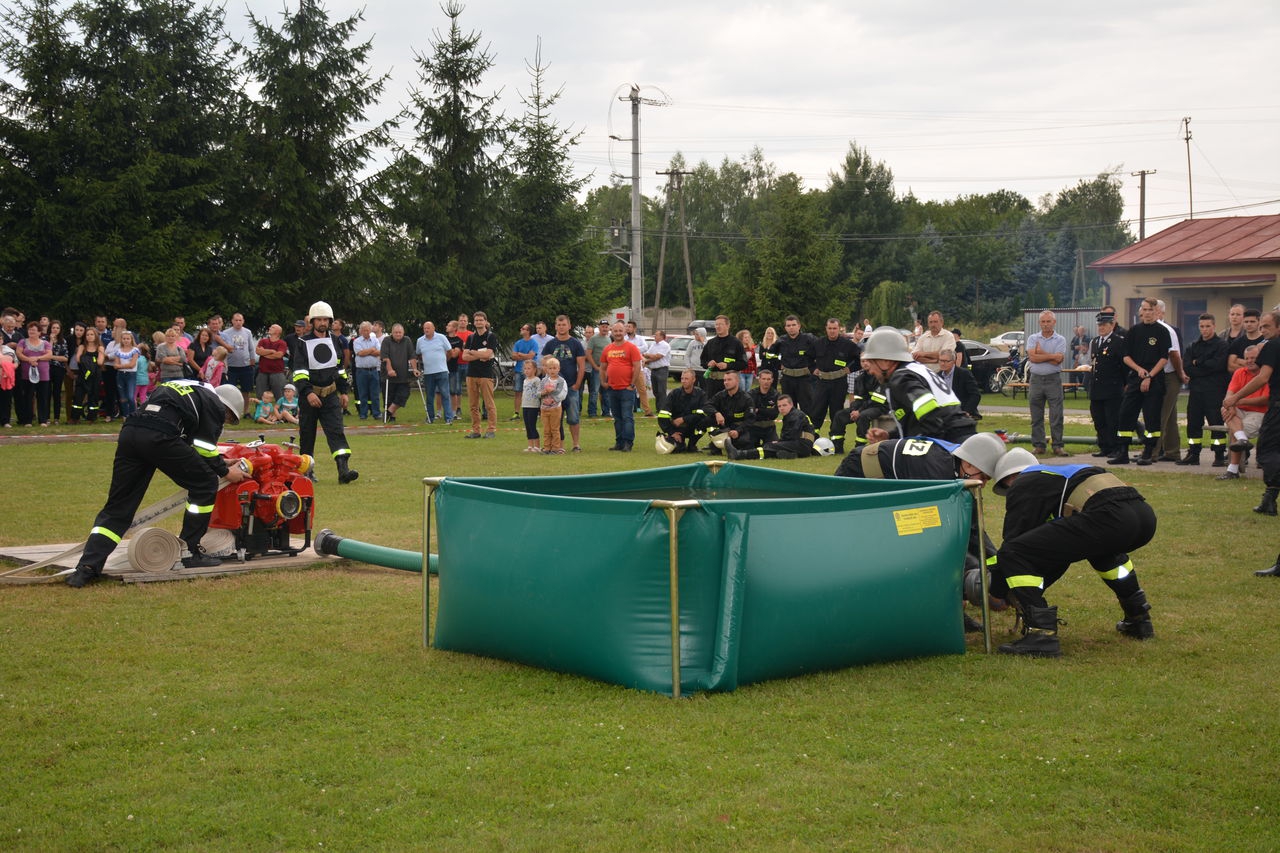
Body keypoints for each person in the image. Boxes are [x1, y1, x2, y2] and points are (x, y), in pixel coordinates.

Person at [64, 379, 251, 587]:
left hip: (131, 432)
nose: (224, 420)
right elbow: (203, 446)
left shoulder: (187, 389)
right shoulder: (213, 403)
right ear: (225, 406)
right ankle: (190, 552)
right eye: (228, 417)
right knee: (205, 483)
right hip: (161, 437)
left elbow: (189, 444)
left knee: (119, 507)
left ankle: (87, 567)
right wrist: (226, 471)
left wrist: (219, 462)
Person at [988, 449, 1158, 658]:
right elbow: (1053, 549)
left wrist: (996, 590)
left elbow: (1013, 544)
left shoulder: (1025, 482)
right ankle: (1139, 618)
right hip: (1143, 517)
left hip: (1109, 517)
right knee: (1104, 554)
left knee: (1013, 552)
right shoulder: (1060, 475)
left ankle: (1041, 635)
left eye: (1007, 488)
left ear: (1010, 477)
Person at [856, 327, 977, 444]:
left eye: (871, 362)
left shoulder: (901, 378)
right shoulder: (913, 370)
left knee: (859, 457)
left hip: (950, 440)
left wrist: (929, 450)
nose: (870, 370)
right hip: (960, 435)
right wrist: (891, 436)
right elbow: (915, 421)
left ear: (885, 361)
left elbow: (931, 419)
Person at [1222, 309, 1280, 524]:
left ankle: (1270, 498)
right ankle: (1269, 499)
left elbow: (1263, 378)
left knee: (1267, 451)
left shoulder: (1272, 345)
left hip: (1276, 406)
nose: (1262, 330)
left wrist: (1235, 397)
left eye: (1267, 326)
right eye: (1261, 326)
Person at [291, 300, 358, 484]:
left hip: (330, 395)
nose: (322, 323)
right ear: (312, 322)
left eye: (325, 319)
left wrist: (344, 391)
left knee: (336, 431)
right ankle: (307, 472)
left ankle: (343, 471)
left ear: (330, 321)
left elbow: (340, 369)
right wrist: (307, 393)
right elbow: (299, 372)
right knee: (307, 435)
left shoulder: (335, 341)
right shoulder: (303, 343)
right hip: (310, 396)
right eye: (318, 319)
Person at [1111, 297, 1172, 466]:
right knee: (1125, 414)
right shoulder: (1134, 331)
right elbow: (1126, 356)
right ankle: (1123, 452)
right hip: (1135, 377)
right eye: (1144, 309)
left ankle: (1148, 452)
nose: (1146, 313)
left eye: (1150, 310)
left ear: (1156, 311)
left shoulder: (1162, 331)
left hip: (1155, 379)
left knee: (1152, 417)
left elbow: (1164, 358)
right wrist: (1138, 370)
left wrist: (1149, 376)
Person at [1177, 313, 1230, 467]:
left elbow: (1218, 365)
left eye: (1208, 326)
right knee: (1193, 423)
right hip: (1196, 391)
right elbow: (1187, 367)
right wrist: (1202, 365)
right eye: (1202, 326)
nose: (1205, 329)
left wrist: (1198, 363)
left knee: (1216, 423)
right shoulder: (1193, 346)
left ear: (1214, 326)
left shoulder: (1222, 345)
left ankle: (1219, 455)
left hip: (1214, 391)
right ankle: (1193, 453)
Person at [1216, 344, 1269, 480]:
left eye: (1253, 358)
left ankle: (1232, 470)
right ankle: (1243, 440)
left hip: (1260, 413)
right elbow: (1229, 395)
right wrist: (1230, 404)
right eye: (1247, 358)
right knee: (1225, 408)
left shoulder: (1266, 374)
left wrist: (1237, 402)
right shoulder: (1240, 372)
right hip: (1240, 412)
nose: (1250, 361)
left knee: (1236, 430)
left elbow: (1264, 399)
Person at [1026, 310, 1068, 456]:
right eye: (1043, 321)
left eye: (1048, 321)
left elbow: (1059, 359)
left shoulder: (1060, 339)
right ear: (1039, 323)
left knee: (1056, 415)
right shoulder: (1032, 338)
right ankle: (1039, 445)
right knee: (1036, 415)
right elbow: (1033, 358)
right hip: (1036, 379)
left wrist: (1041, 353)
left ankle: (1057, 446)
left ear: (1054, 322)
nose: (1045, 324)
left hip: (1053, 380)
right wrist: (1051, 357)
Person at [542, 315, 587, 451]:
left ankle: (576, 444)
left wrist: (578, 384)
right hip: (554, 389)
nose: (561, 327)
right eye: (559, 325)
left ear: (569, 326)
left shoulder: (576, 344)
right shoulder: (550, 344)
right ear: (555, 326)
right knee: (557, 419)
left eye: (564, 324)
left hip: (572, 387)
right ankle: (559, 446)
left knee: (573, 417)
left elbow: (581, 366)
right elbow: (544, 365)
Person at [809, 318, 860, 436]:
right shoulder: (818, 343)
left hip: (839, 383)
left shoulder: (847, 344)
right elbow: (807, 357)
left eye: (835, 328)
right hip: (821, 383)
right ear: (826, 329)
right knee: (817, 411)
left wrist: (850, 369)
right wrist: (813, 369)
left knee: (836, 413)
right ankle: (813, 439)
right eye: (830, 328)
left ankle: (836, 440)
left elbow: (859, 359)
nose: (832, 331)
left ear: (839, 329)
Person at [726, 394, 813, 460]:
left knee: (770, 446)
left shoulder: (795, 415)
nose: (781, 408)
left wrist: (779, 442)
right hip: (801, 445)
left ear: (791, 404)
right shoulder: (792, 415)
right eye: (779, 406)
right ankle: (790, 454)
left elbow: (791, 434)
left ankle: (740, 454)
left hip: (801, 445)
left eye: (784, 405)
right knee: (771, 448)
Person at [1087, 312, 1126, 459]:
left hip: (1112, 388)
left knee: (1113, 420)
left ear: (1112, 325)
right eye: (1099, 325)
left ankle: (1115, 447)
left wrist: (1124, 384)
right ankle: (1104, 446)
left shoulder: (1119, 342)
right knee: (1099, 419)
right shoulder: (1096, 342)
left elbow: (1123, 366)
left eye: (1104, 325)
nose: (1101, 327)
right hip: (1097, 388)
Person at [601, 321, 643, 452]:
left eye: (620, 331)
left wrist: (632, 384)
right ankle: (619, 442)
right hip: (612, 389)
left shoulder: (631, 348)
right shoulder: (607, 348)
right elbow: (602, 367)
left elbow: (637, 366)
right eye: (615, 331)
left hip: (626, 389)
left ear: (625, 332)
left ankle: (628, 443)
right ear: (611, 332)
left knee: (627, 417)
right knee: (617, 418)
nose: (618, 333)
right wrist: (603, 382)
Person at [1153, 299, 1186, 462]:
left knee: (1160, 414)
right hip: (1155, 376)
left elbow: (1175, 354)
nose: (1145, 313)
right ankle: (1172, 451)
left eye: (1152, 310)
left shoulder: (1169, 330)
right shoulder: (1146, 330)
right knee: (1170, 415)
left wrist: (1180, 374)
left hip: (1169, 374)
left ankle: (1152, 451)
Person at [462, 311, 500, 439]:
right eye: (476, 320)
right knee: (473, 404)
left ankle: (491, 429)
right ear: (474, 322)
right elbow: (464, 356)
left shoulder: (491, 337)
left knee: (489, 403)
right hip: (471, 374)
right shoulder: (471, 338)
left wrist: (473, 353)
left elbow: (487, 354)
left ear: (485, 321)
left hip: (486, 375)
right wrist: (479, 355)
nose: (478, 322)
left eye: (481, 320)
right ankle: (476, 430)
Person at [657, 368, 712, 453]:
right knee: (677, 449)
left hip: (694, 427)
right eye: (682, 378)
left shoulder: (701, 394)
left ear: (694, 379)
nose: (683, 381)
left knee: (707, 420)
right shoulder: (674, 394)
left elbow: (703, 413)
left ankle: (692, 445)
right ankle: (679, 443)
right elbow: (663, 415)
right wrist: (672, 432)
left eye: (686, 379)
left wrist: (684, 419)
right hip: (678, 428)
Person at [768, 315, 815, 415]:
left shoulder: (808, 339)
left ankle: (808, 430)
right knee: (788, 408)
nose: (791, 327)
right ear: (785, 327)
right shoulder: (781, 340)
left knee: (808, 409)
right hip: (788, 379)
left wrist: (815, 367)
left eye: (794, 325)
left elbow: (821, 352)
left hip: (804, 379)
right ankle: (790, 430)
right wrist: (778, 365)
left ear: (799, 326)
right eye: (788, 325)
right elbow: (770, 355)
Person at [413, 321, 454, 425]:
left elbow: (450, 352)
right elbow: (418, 354)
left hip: (442, 371)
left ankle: (448, 418)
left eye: (428, 328)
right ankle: (430, 417)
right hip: (428, 373)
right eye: (424, 328)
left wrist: (444, 360)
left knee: (445, 394)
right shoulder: (420, 341)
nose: (426, 330)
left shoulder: (441, 338)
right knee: (430, 396)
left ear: (433, 328)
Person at [14, 319, 53, 425]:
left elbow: (49, 355)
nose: (31, 332)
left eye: (34, 330)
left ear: (39, 332)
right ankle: (28, 420)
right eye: (30, 330)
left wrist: (37, 358)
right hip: (27, 375)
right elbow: (19, 354)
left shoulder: (45, 343)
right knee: (27, 397)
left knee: (43, 397)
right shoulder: (23, 342)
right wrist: (29, 359)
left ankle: (43, 420)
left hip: (43, 375)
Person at [707, 371, 754, 455]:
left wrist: (738, 431)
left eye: (729, 380)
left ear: (737, 381)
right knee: (706, 419)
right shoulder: (720, 395)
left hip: (739, 429)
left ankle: (722, 445)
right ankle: (718, 444)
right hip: (724, 428)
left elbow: (750, 420)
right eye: (725, 380)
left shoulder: (746, 399)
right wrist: (716, 413)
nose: (726, 382)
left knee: (745, 443)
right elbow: (707, 405)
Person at [700, 315, 746, 400]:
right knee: (711, 407)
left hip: (729, 383)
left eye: (720, 324)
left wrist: (727, 366)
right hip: (712, 383)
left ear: (728, 325)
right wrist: (708, 364)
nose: (718, 326)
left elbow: (743, 363)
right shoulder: (710, 343)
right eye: (716, 324)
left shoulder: (736, 343)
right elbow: (702, 361)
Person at [380, 323, 414, 423]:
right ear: (392, 333)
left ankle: (388, 412)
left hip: (403, 375)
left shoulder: (407, 340)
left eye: (400, 332)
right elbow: (385, 357)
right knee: (389, 396)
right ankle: (392, 417)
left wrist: (415, 369)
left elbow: (412, 356)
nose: (398, 334)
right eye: (396, 332)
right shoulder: (386, 341)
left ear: (403, 333)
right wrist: (390, 370)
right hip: (388, 375)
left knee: (403, 394)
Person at [222, 313, 256, 410]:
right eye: (236, 320)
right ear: (232, 321)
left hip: (245, 366)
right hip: (231, 366)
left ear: (243, 321)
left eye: (240, 320)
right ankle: (230, 410)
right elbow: (223, 349)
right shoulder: (226, 333)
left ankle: (246, 411)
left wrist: (252, 360)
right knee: (230, 390)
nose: (238, 322)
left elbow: (251, 348)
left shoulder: (247, 332)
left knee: (246, 390)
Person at [935, 348, 981, 419]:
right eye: (941, 360)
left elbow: (975, 395)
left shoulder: (964, 374)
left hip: (962, 412)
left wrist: (966, 412)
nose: (942, 363)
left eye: (946, 361)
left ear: (953, 361)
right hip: (944, 414)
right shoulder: (937, 376)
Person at [351, 321, 383, 421]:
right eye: (364, 330)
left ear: (370, 330)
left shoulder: (375, 340)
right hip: (361, 371)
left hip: (374, 370)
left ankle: (376, 413)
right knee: (362, 393)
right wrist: (372, 350)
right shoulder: (357, 341)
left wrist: (368, 351)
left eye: (368, 330)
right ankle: (363, 414)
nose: (366, 332)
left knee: (375, 394)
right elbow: (360, 353)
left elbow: (379, 352)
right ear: (360, 331)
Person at [72, 326, 105, 422]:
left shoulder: (100, 348)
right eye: (87, 334)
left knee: (93, 397)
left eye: (92, 334)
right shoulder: (82, 347)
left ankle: (92, 417)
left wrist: (85, 360)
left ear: (96, 336)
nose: (89, 336)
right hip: (82, 375)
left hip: (95, 376)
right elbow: (78, 359)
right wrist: (91, 361)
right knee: (78, 397)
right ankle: (75, 418)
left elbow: (100, 362)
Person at [538, 356, 569, 454]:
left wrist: (552, 392)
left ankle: (556, 448)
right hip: (544, 408)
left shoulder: (561, 381)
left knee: (555, 429)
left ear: (558, 369)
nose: (552, 370)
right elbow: (537, 393)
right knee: (546, 429)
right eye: (550, 368)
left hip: (555, 408)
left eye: (554, 368)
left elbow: (562, 394)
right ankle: (547, 448)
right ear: (546, 369)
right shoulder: (543, 381)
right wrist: (543, 393)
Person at [745, 368, 781, 448]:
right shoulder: (751, 394)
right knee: (748, 447)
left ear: (772, 380)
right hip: (753, 427)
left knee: (774, 448)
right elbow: (750, 413)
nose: (766, 381)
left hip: (769, 428)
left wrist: (759, 410)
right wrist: (767, 411)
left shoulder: (776, 395)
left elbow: (774, 414)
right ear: (759, 379)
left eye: (768, 379)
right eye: (764, 379)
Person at [510, 323, 540, 419]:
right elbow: (513, 356)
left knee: (534, 391)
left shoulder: (534, 343)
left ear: (528, 331)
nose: (521, 329)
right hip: (519, 370)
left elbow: (531, 356)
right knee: (518, 391)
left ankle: (536, 410)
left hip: (531, 372)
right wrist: (524, 355)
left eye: (523, 328)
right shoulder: (518, 343)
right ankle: (516, 413)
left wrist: (520, 355)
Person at [254, 324, 289, 404]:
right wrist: (271, 351)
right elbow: (258, 351)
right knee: (260, 395)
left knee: (279, 396)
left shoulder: (282, 343)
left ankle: (280, 414)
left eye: (272, 327)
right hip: (262, 372)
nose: (269, 328)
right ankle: (260, 414)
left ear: (278, 332)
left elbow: (279, 355)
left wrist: (264, 353)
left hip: (277, 373)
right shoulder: (263, 341)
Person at [111, 330, 141, 419]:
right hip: (120, 375)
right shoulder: (118, 351)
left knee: (131, 397)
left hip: (131, 375)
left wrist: (120, 365)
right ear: (121, 340)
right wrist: (123, 366)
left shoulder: (135, 350)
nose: (126, 340)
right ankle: (125, 415)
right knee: (123, 397)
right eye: (124, 338)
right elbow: (115, 366)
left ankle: (133, 415)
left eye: (128, 338)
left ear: (131, 339)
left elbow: (132, 365)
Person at [585, 320, 611, 418]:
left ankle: (606, 412)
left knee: (606, 391)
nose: (604, 328)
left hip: (607, 369)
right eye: (603, 326)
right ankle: (592, 412)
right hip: (597, 369)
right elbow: (588, 354)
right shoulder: (593, 339)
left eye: (606, 327)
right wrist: (595, 366)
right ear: (599, 328)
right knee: (594, 391)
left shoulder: (609, 339)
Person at [518, 359, 542, 452]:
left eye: (529, 368)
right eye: (525, 368)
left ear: (535, 369)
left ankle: (537, 445)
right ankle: (530, 445)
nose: (527, 370)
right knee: (527, 425)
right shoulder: (525, 380)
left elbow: (539, 393)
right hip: (525, 405)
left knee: (532, 425)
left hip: (533, 406)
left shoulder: (536, 380)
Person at [646, 329, 672, 412]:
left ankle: (663, 408)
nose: (655, 336)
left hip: (662, 370)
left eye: (656, 335)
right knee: (655, 391)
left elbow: (657, 357)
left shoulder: (665, 345)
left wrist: (648, 357)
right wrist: (649, 356)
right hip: (653, 370)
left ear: (662, 336)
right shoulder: (654, 344)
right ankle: (658, 408)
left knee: (661, 390)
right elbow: (648, 355)